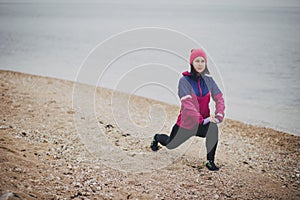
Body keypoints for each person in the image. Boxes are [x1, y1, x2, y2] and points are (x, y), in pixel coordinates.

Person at [150, 48, 225, 171]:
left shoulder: (209, 81)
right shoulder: (184, 81)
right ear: (191, 63)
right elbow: (188, 104)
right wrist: (202, 120)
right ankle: (156, 137)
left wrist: (219, 115)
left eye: (202, 61)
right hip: (186, 125)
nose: (200, 64)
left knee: (213, 128)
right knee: (170, 144)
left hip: (203, 123)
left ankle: (210, 161)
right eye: (197, 61)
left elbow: (219, 97)